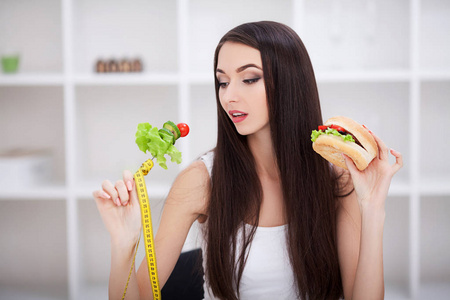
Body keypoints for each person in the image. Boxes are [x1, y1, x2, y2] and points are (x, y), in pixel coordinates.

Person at [93, 21, 403, 300]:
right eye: (223, 82)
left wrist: (372, 207)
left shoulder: (337, 179)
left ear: (290, 82)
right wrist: (124, 244)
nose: (228, 96)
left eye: (250, 79)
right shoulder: (200, 181)